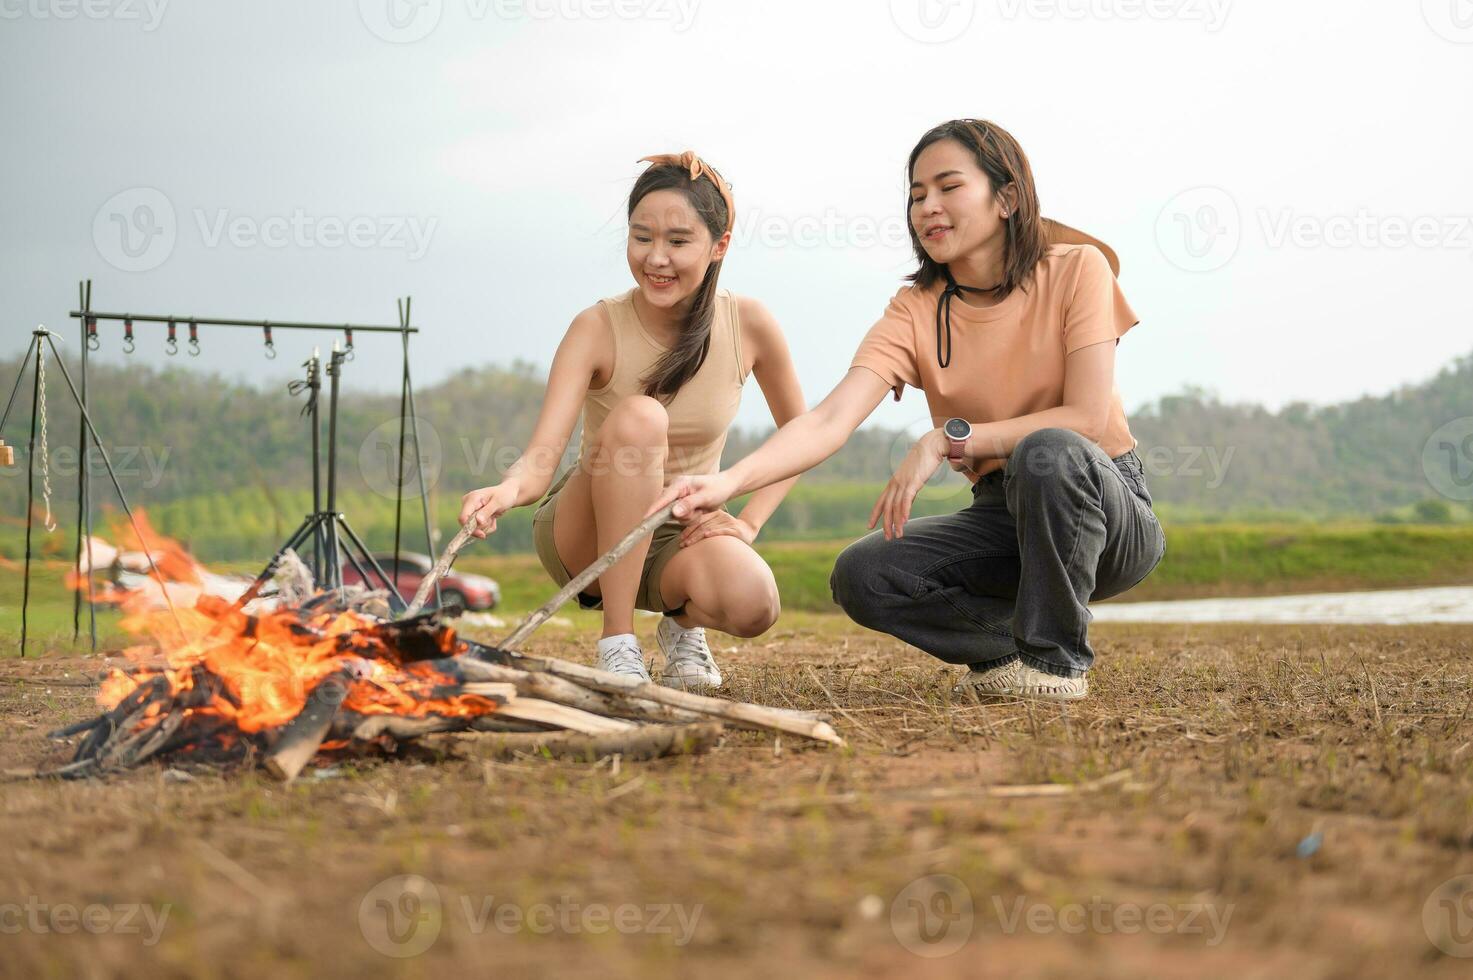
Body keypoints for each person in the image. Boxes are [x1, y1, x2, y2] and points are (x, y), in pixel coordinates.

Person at [650, 120, 1166, 702]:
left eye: (948, 187)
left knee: (1048, 449)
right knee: (864, 575)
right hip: (1002, 515)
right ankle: (1009, 649)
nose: (928, 207)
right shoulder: (915, 309)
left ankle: (1055, 664)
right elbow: (828, 419)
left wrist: (949, 439)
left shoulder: (1076, 269)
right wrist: (727, 482)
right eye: (917, 195)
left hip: (1099, 501)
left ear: (1007, 198)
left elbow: (1087, 419)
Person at [459, 152, 806, 689]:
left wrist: (749, 522)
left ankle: (682, 627)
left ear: (719, 246)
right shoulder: (596, 326)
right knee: (643, 418)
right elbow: (541, 461)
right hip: (587, 531)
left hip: (676, 534)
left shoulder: (749, 324)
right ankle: (617, 641)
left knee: (755, 604)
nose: (657, 258)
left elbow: (800, 436)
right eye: (641, 237)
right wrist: (504, 493)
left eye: (678, 241)